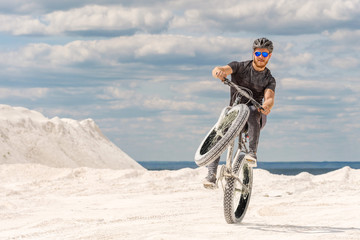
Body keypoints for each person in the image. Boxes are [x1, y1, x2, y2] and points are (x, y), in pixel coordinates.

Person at [203, 37, 276, 189]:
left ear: (269, 56)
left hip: (256, 116)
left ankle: (252, 153)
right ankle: (211, 175)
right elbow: (222, 69)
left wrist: (266, 106)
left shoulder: (269, 79)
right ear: (253, 53)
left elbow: (269, 98)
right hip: (235, 115)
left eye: (264, 54)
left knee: (251, 110)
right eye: (258, 54)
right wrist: (218, 72)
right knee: (219, 134)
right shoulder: (239, 66)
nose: (261, 57)